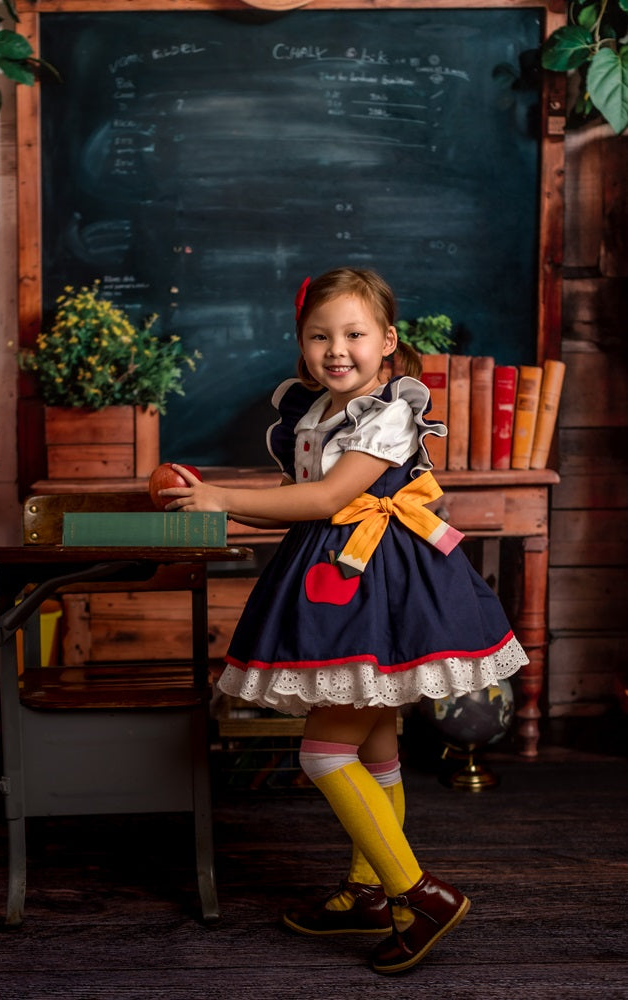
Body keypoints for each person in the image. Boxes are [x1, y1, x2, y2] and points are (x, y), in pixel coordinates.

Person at [158, 267, 528, 974]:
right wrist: (222, 501)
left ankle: (417, 893)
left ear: (387, 341)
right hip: (341, 575)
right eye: (320, 335)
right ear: (301, 345)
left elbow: (330, 496)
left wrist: (221, 500)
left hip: (379, 584)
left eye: (355, 334)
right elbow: (301, 493)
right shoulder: (316, 410)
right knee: (375, 748)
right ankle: (367, 889)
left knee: (322, 753)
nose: (338, 349)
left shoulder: (388, 411)